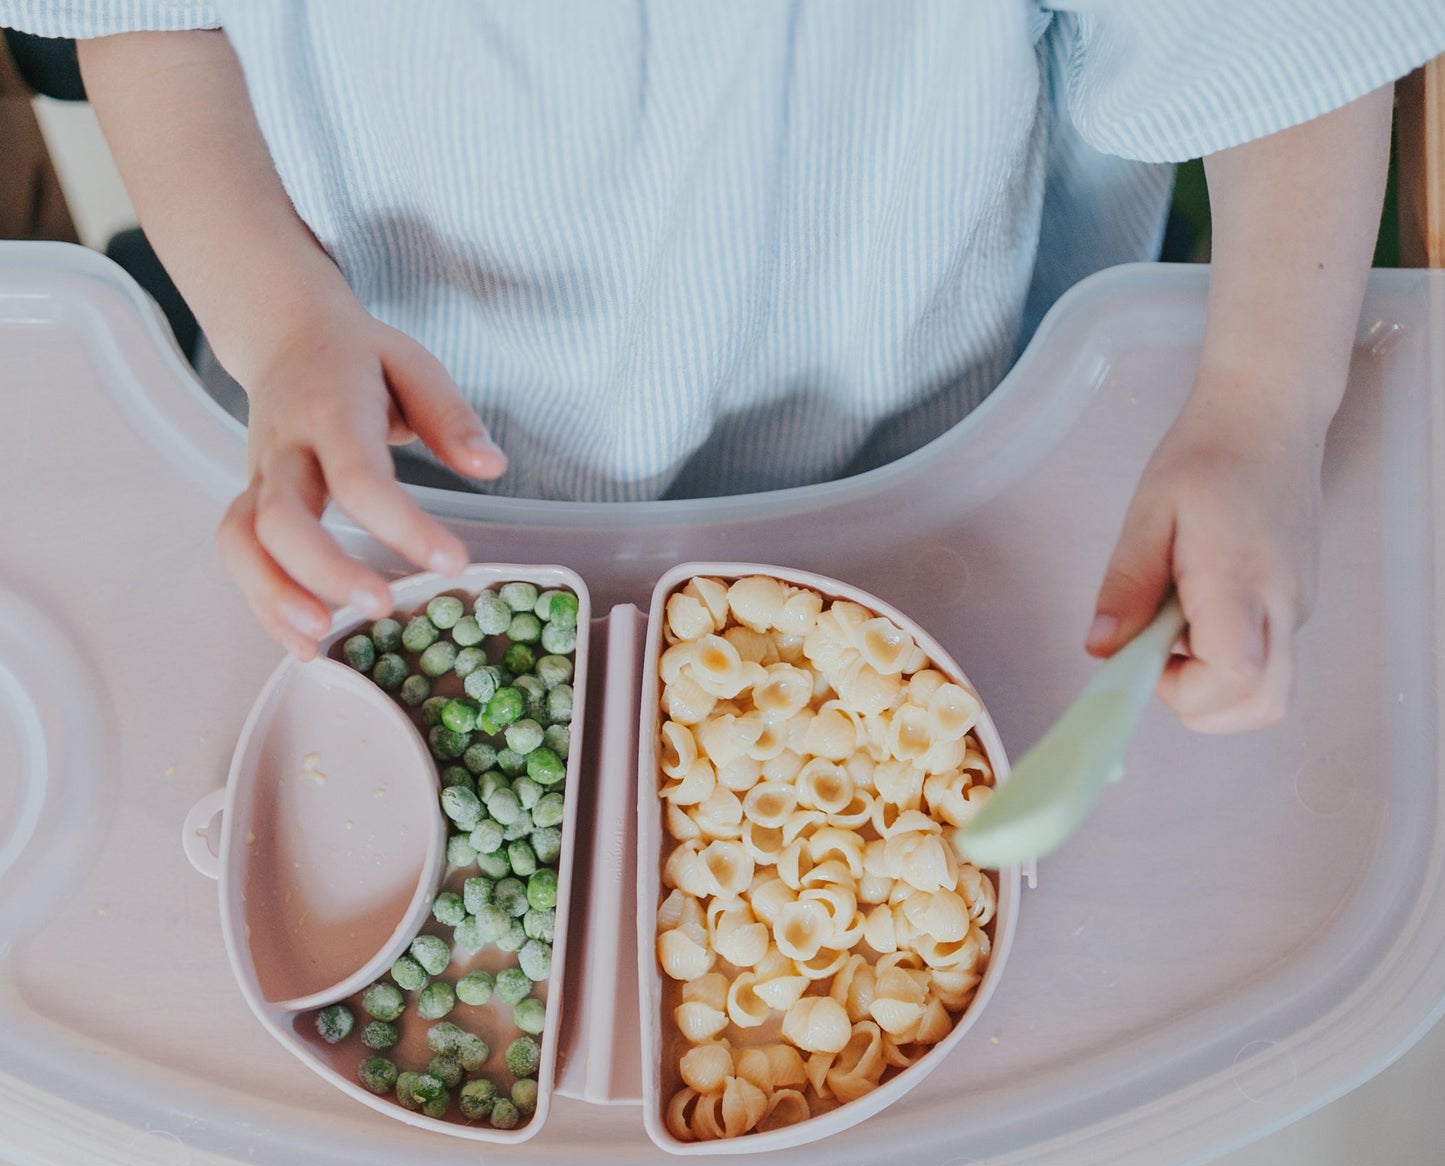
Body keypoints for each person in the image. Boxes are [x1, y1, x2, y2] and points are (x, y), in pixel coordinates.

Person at [7, 2, 1443, 732]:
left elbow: (1289, 38)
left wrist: (1263, 403)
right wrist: (274, 322)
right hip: (380, 482)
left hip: (947, 475)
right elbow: (158, 20)